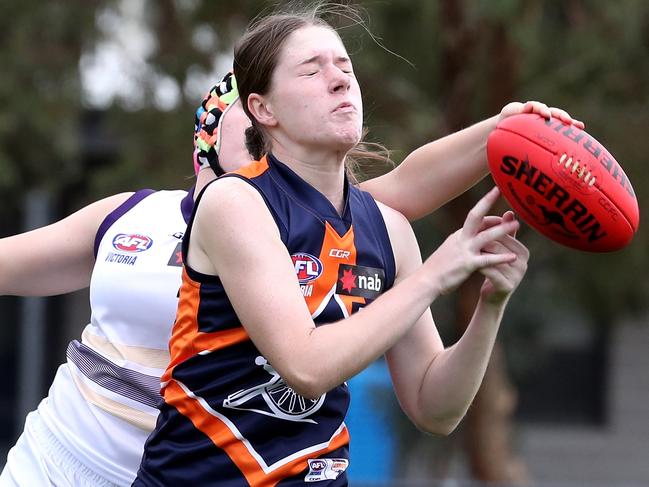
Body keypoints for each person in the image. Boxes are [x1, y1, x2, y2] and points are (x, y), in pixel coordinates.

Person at [0, 33, 582, 487]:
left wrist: (511, 131)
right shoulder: (139, 215)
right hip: (67, 459)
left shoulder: (313, 220)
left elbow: (405, 187)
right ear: (224, 130)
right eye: (242, 130)